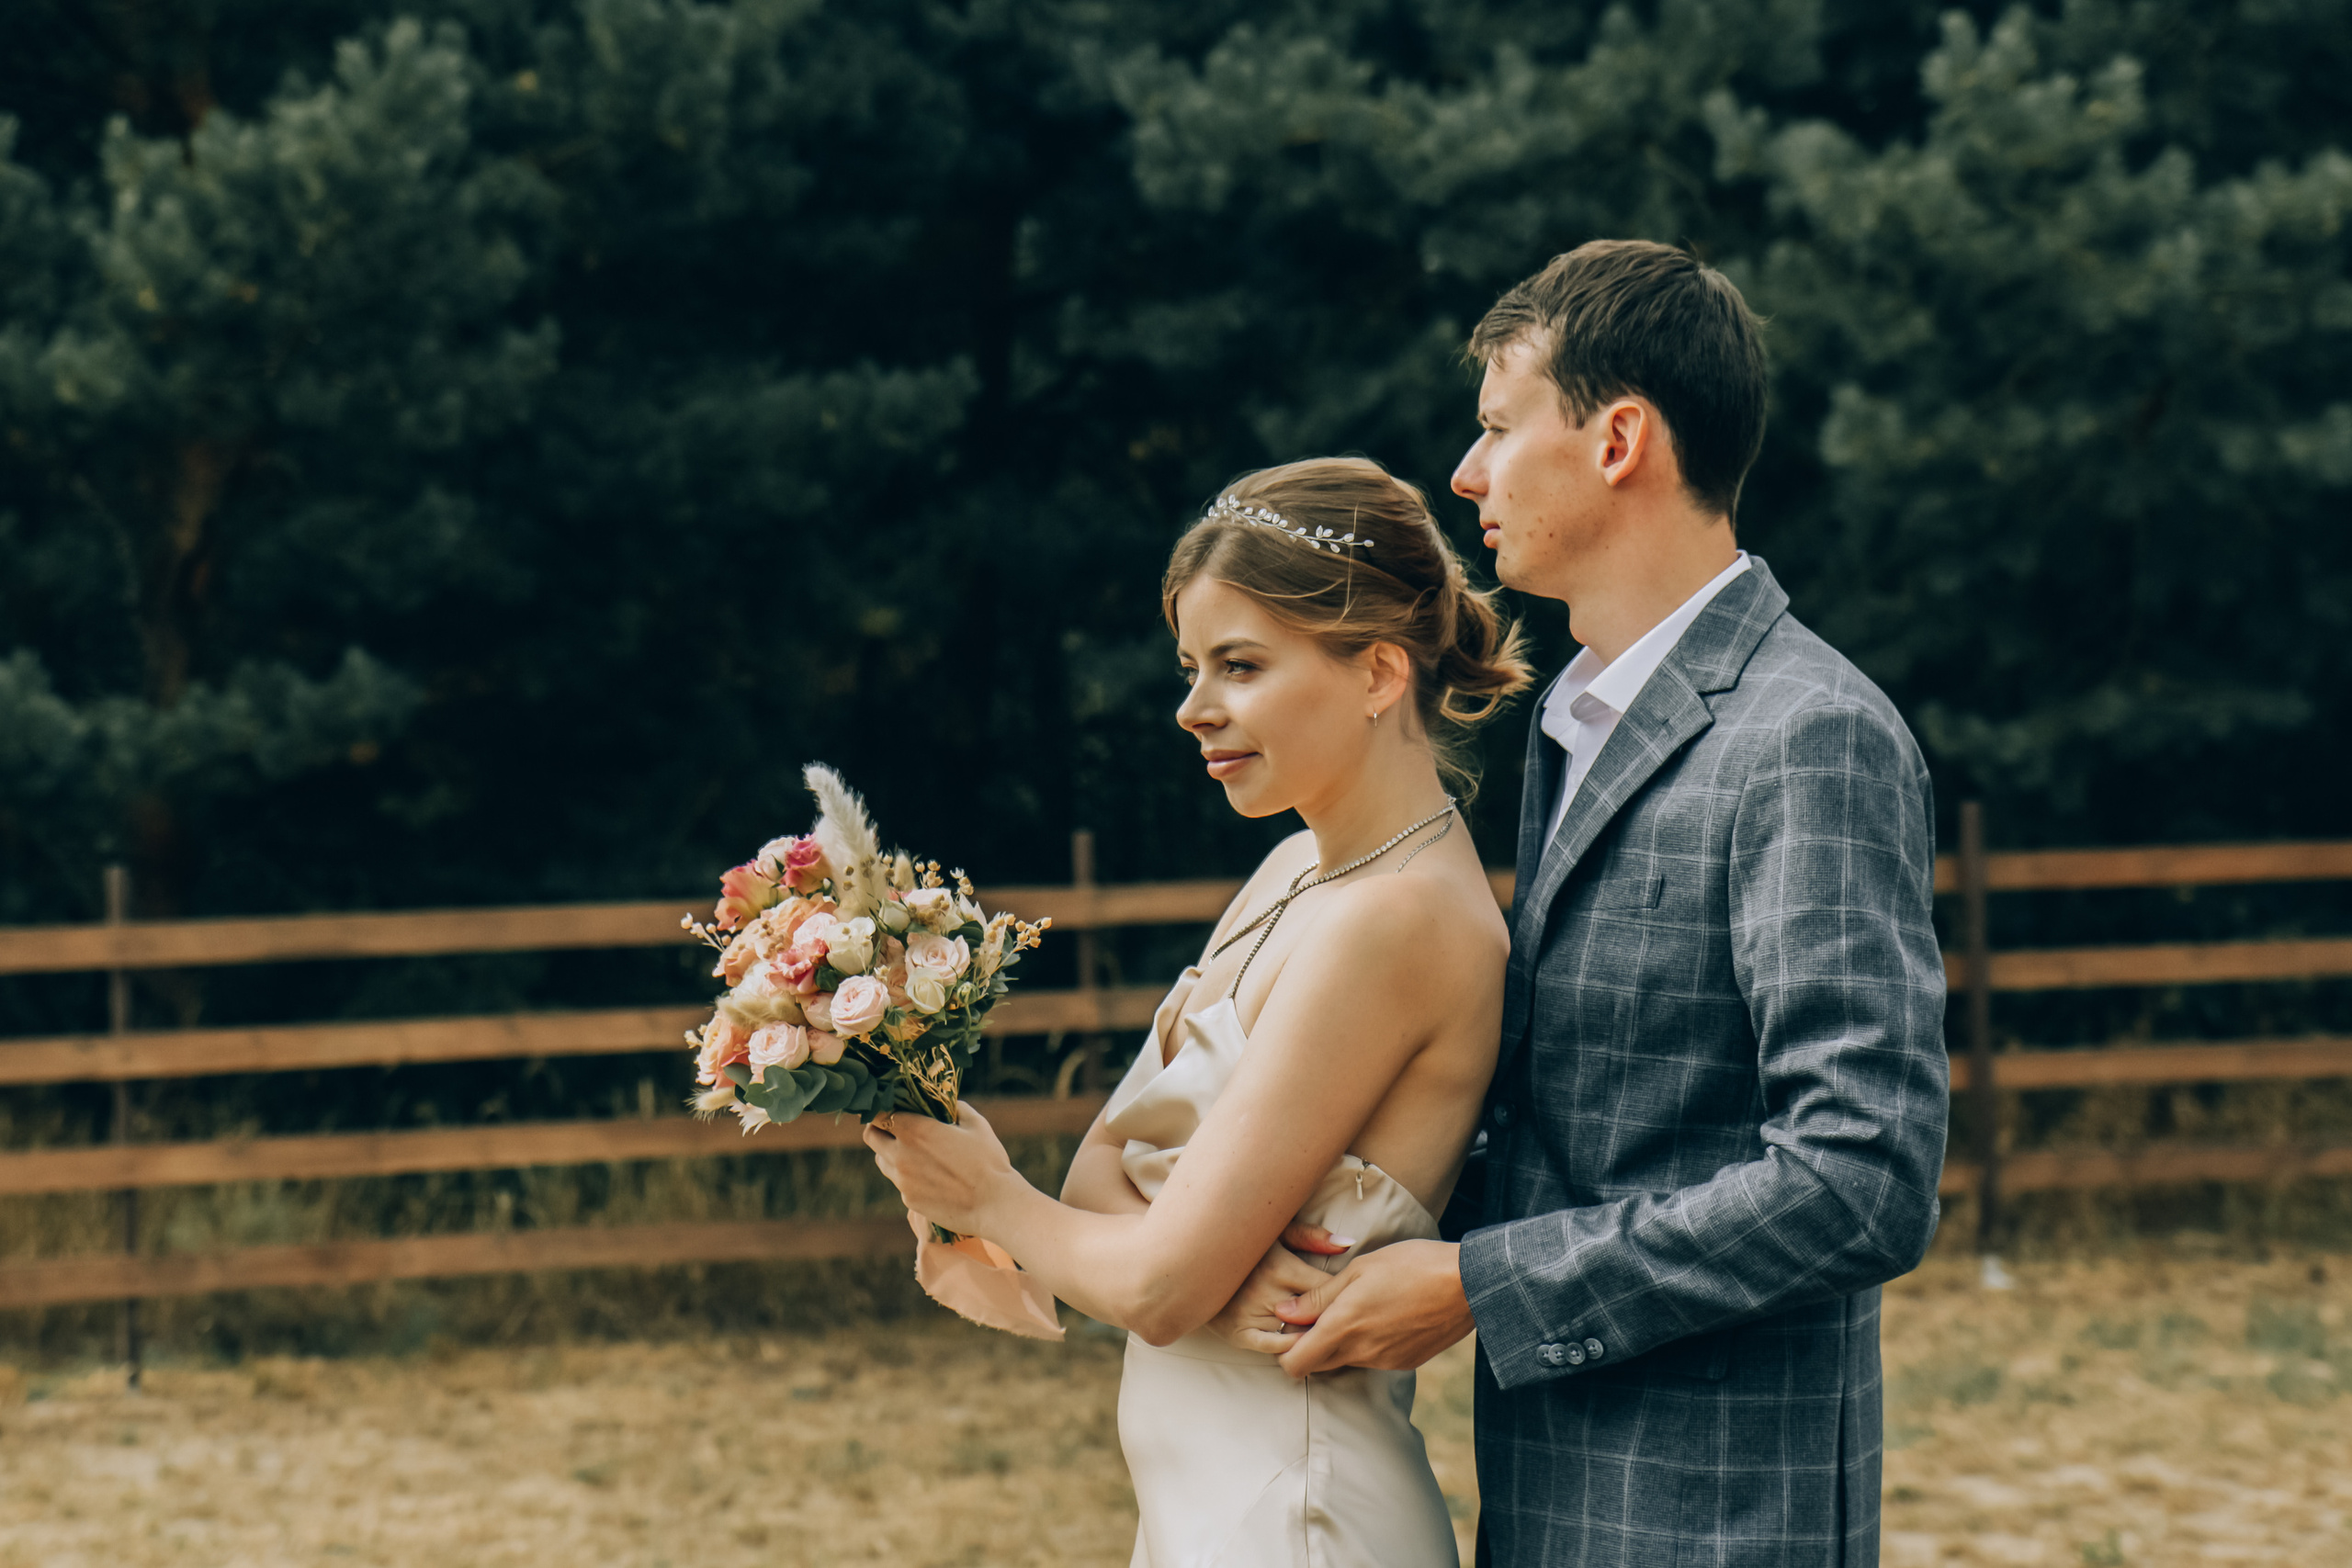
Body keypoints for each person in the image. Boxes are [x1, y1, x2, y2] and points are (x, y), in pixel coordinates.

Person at [1261, 240, 1951, 1566]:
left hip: (1716, 1518)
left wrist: (1479, 1281)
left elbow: (1864, 1173)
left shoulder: (1809, 734)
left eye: (1497, 428)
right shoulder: (1579, 723)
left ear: (1620, 437)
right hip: (1553, 1488)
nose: (1466, 476)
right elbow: (1587, 1114)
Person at [865, 455, 1532, 1567]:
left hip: (1297, 1507)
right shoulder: (1290, 870)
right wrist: (1172, 1258)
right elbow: (1101, 1167)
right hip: (1201, 1506)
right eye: (1190, 666)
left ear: (1375, 673)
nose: (1193, 708)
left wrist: (991, 1196)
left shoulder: (1400, 921)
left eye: (1239, 665)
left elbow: (1153, 1282)